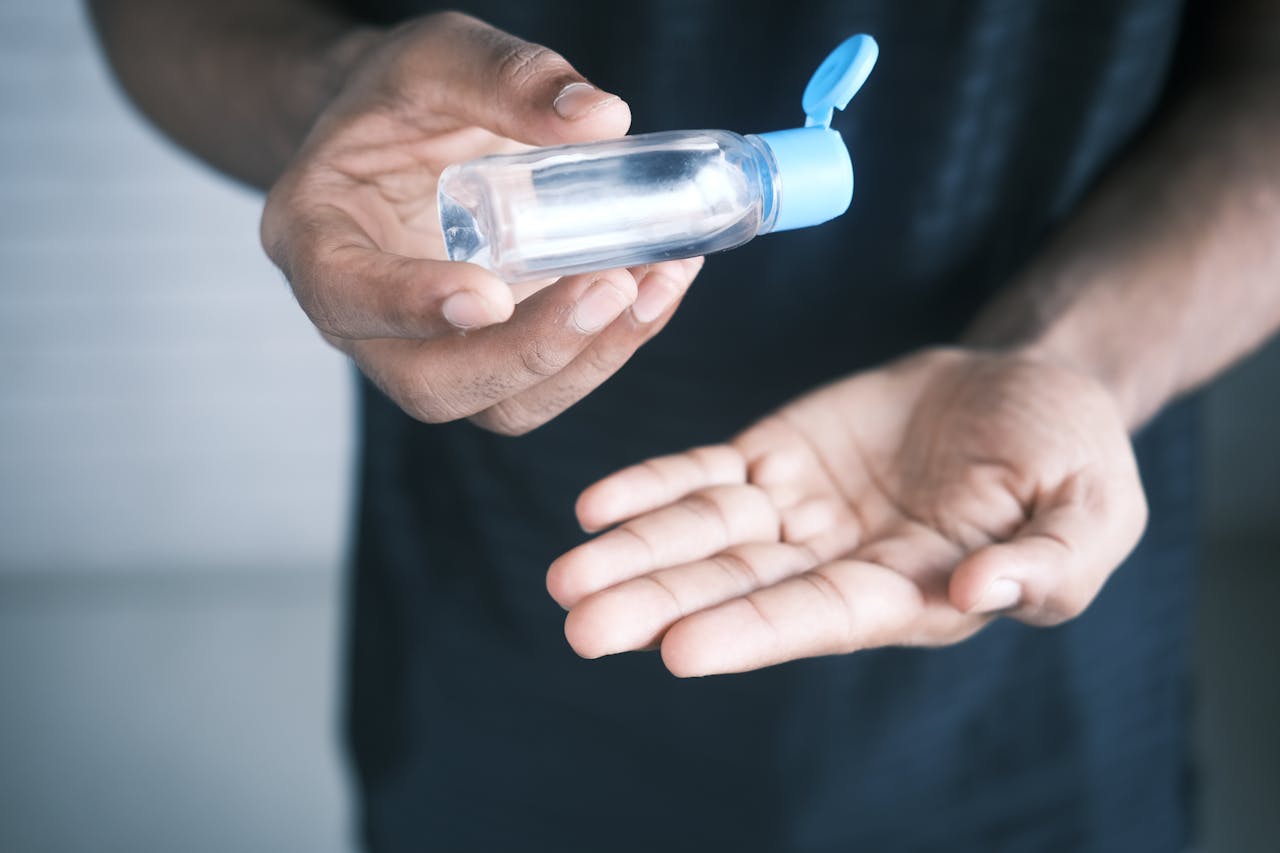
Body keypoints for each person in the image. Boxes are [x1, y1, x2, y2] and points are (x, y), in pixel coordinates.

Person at [89, 0, 1280, 850]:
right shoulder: (721, 179)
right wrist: (328, 88)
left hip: (1004, 628)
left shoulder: (725, 179)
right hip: (499, 607)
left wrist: (1058, 360)